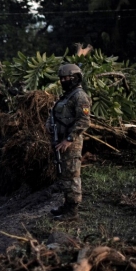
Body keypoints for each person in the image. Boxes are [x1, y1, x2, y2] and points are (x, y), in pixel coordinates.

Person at [46, 63, 91, 221]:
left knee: (72, 175)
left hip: (71, 143)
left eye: (67, 78)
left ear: (76, 78)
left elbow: (84, 121)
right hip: (61, 141)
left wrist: (69, 139)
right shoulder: (67, 96)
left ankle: (72, 211)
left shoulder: (80, 96)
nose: (64, 81)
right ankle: (67, 205)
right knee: (64, 175)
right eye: (62, 78)